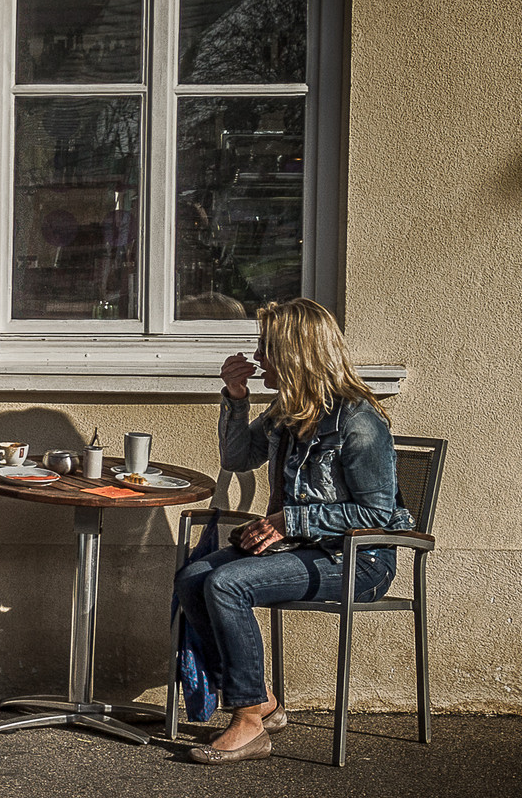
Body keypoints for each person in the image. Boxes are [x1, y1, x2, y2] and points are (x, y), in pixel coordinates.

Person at [177, 298, 413, 765]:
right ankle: (259, 698)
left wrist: (291, 521)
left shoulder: (359, 422)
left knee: (227, 583)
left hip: (356, 560)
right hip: (300, 550)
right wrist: (235, 398)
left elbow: (378, 514)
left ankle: (248, 723)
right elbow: (237, 458)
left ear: (293, 353)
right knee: (194, 578)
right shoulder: (288, 412)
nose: (259, 356)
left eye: (266, 348)